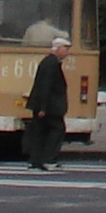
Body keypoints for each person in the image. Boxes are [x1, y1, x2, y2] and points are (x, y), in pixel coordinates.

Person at [23, 37, 72, 171]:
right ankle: (49, 159)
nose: (67, 52)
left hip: (44, 106)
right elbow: (46, 86)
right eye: (65, 49)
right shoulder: (51, 64)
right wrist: (43, 108)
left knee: (40, 132)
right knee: (57, 129)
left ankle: (36, 160)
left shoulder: (48, 62)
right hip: (50, 107)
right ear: (57, 49)